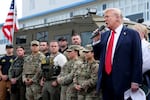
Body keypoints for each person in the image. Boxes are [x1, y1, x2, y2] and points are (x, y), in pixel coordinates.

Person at [92, 8, 143, 100]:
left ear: (117, 17)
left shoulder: (132, 34)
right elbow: (98, 57)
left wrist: (136, 80)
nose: (105, 19)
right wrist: (96, 42)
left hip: (124, 80)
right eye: (104, 17)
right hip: (106, 80)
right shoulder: (104, 35)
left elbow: (137, 58)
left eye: (107, 17)